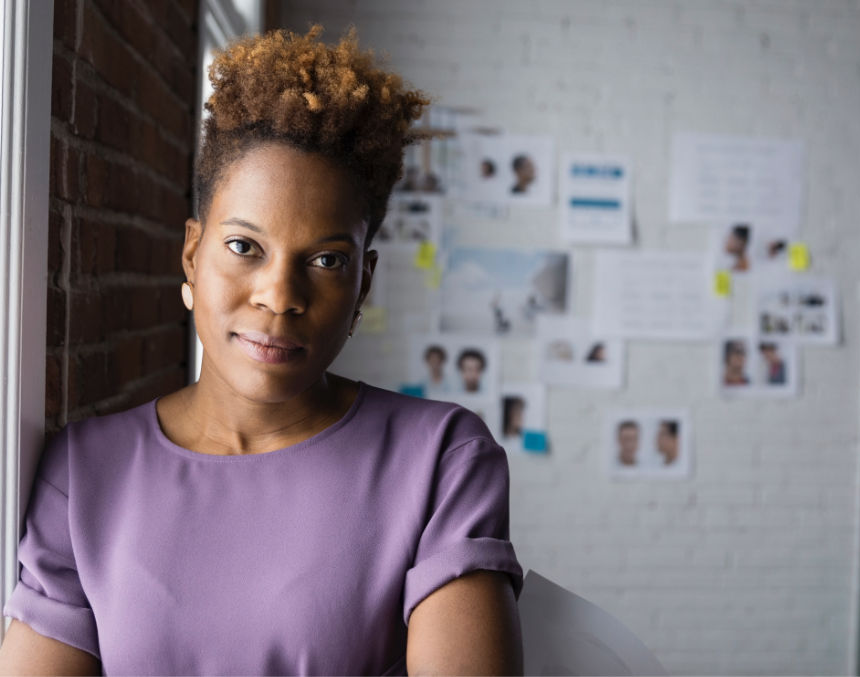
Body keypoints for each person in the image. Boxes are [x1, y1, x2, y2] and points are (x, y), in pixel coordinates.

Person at [0, 28, 523, 677]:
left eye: (327, 260)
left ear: (362, 282)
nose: (279, 296)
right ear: (191, 255)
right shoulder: (83, 473)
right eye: (245, 247)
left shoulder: (442, 458)